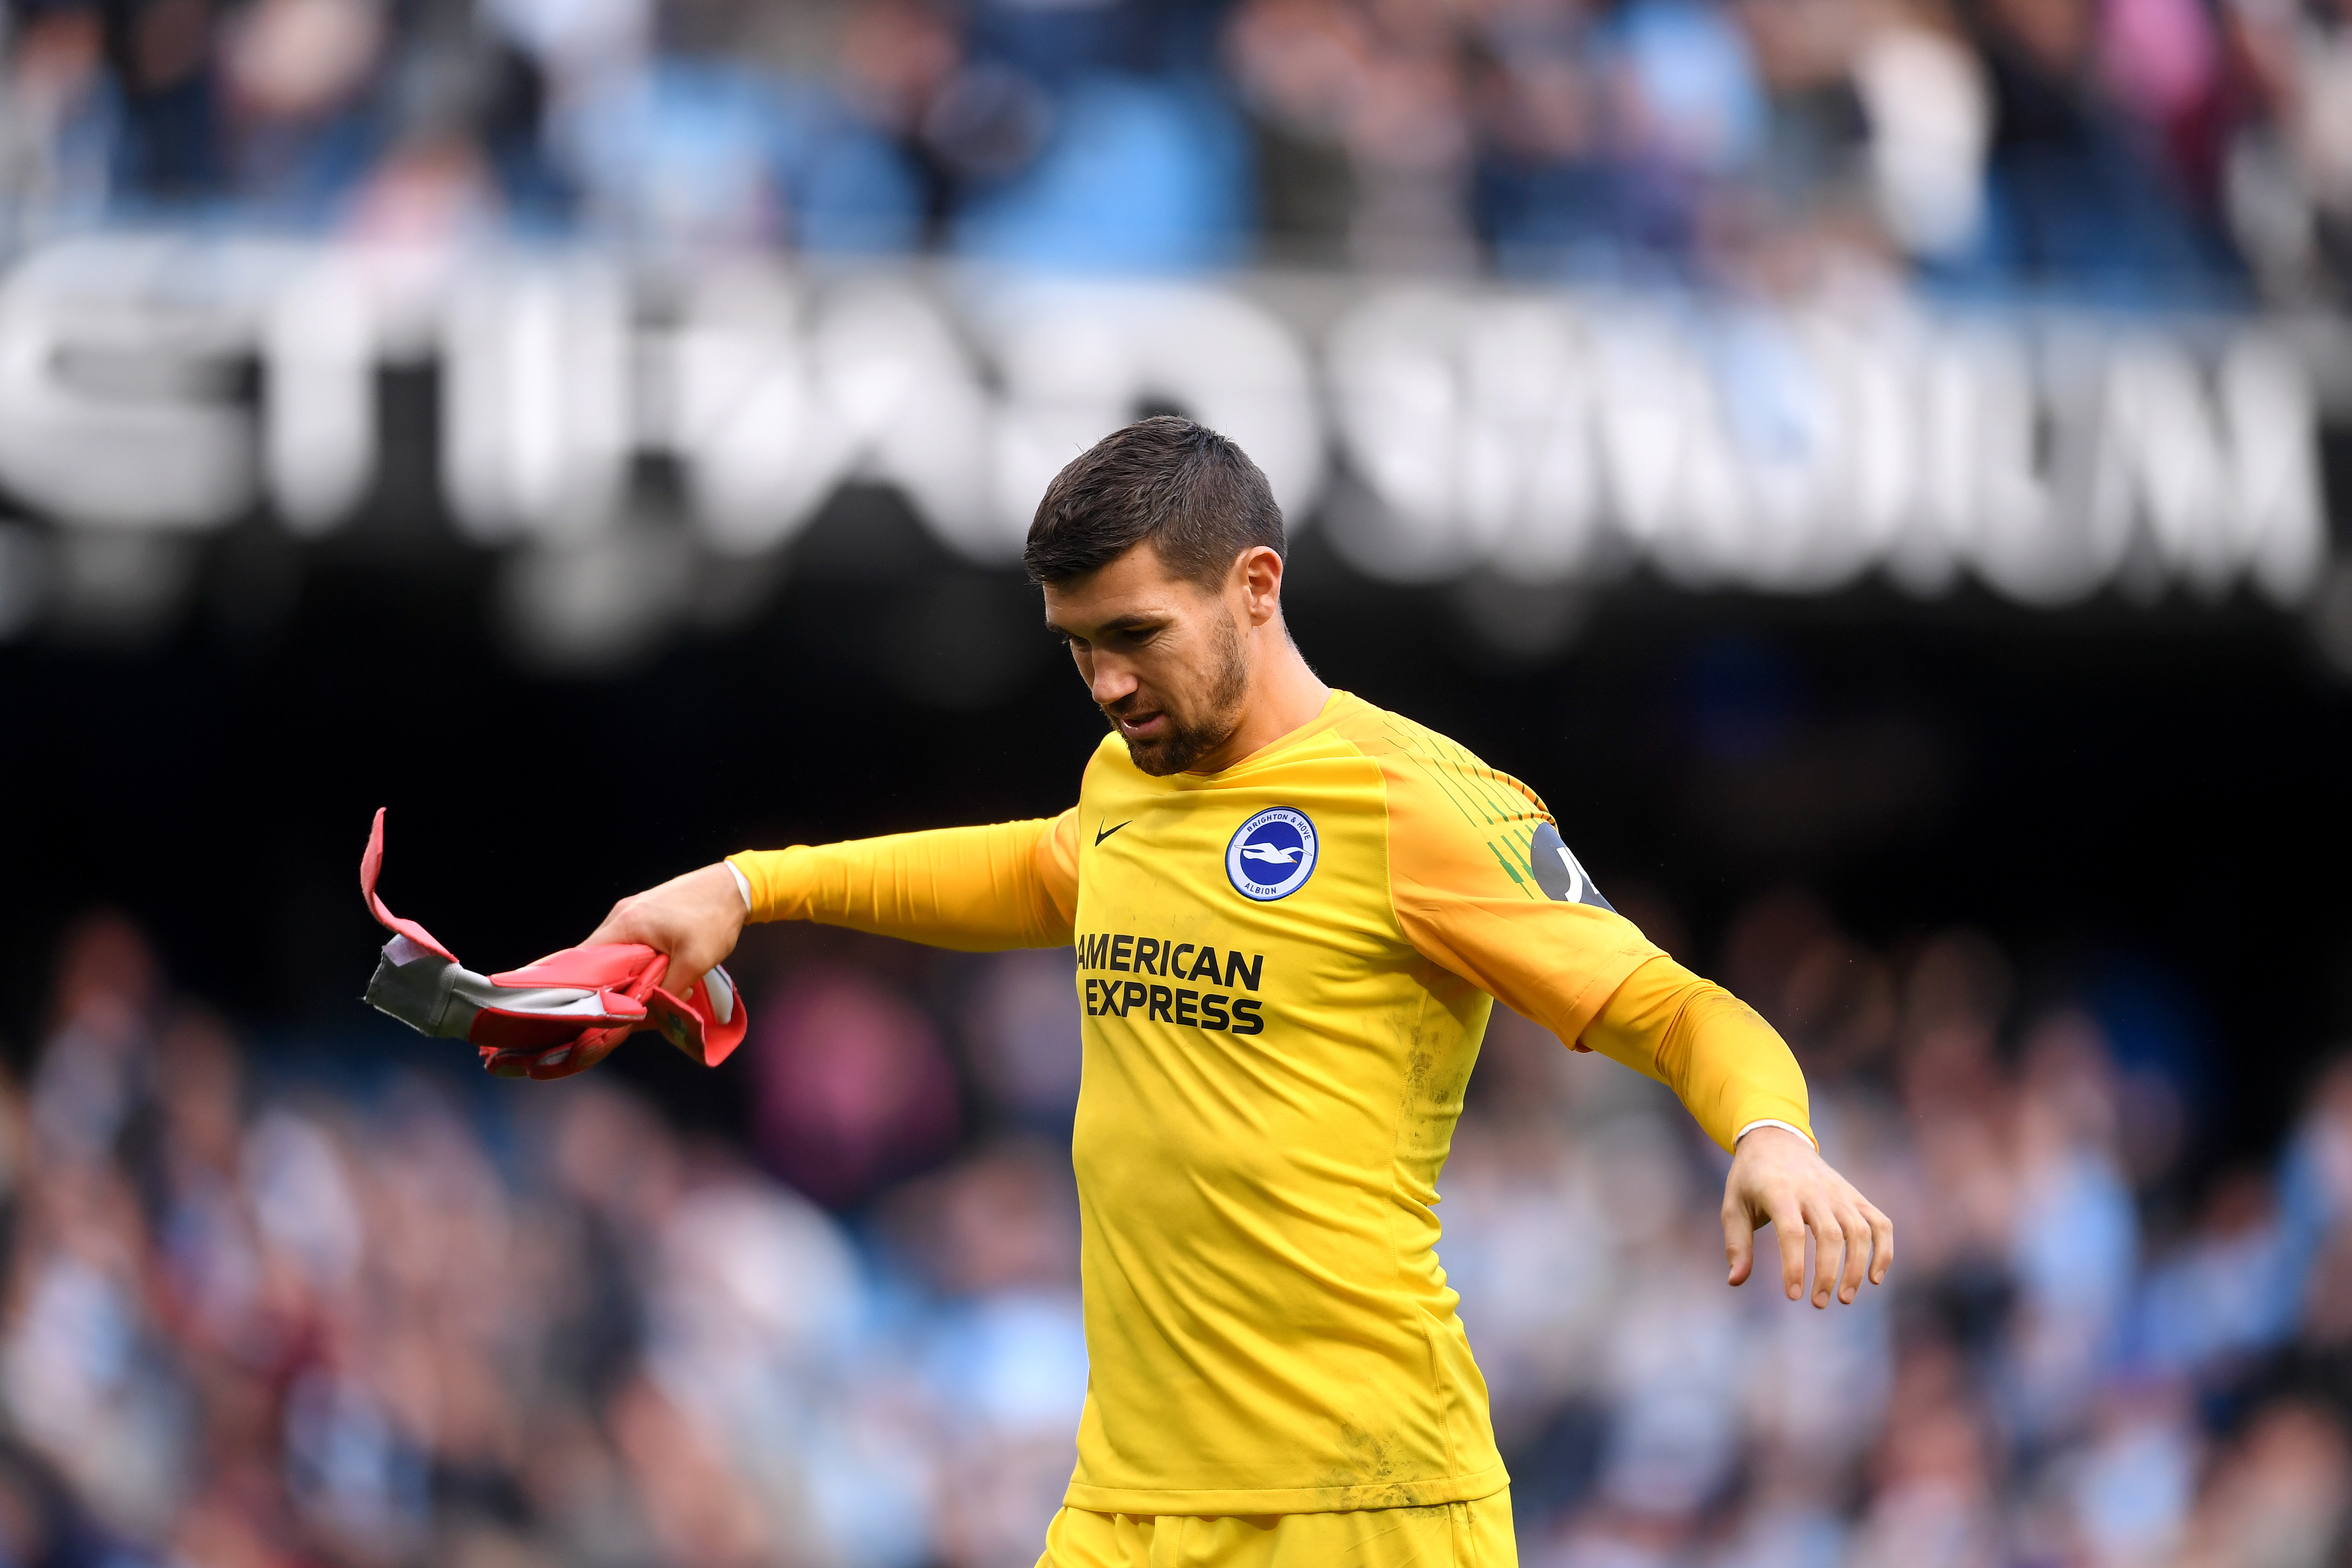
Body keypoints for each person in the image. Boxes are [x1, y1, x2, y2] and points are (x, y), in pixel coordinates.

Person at [573, 415, 1894, 1568]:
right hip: (1132, 1499)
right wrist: (748, 887)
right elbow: (1035, 868)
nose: (1106, 683)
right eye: (1078, 646)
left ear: (1256, 585)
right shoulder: (1127, 782)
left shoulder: (1417, 804)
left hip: (1361, 1501)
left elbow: (1675, 1007)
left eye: (1136, 634)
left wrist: (1770, 1131)